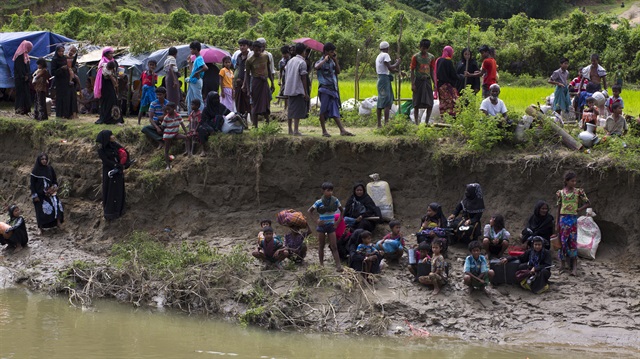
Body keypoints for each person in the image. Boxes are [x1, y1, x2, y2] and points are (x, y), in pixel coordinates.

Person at [314, 43, 353, 137]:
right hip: (324, 89)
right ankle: (324, 131)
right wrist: (324, 60)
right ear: (326, 52)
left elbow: (338, 71)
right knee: (323, 110)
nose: (333, 53)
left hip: (333, 89)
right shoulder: (320, 61)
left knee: (334, 109)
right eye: (332, 52)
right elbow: (316, 67)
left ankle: (342, 130)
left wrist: (335, 60)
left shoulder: (332, 61)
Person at [556, 171, 590, 276]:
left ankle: (574, 267)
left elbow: (588, 203)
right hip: (563, 219)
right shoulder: (560, 193)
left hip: (573, 220)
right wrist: (556, 223)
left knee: (572, 242)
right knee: (562, 242)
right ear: (566, 181)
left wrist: (579, 209)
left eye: (575, 181)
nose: (574, 183)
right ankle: (562, 265)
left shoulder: (579, 192)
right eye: (572, 181)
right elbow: (558, 208)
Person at [308, 182, 344, 272]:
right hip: (322, 226)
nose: (330, 192)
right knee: (321, 245)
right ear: (323, 191)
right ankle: (321, 265)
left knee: (334, 246)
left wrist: (337, 222)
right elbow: (310, 211)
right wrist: (317, 221)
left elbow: (342, 211)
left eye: (331, 190)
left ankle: (338, 265)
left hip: (331, 225)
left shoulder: (335, 201)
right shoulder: (319, 202)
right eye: (328, 190)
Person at [96, 130, 127, 220]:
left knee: (119, 190)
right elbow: (106, 160)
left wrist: (124, 163)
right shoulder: (101, 150)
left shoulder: (115, 145)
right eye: (111, 135)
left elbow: (124, 151)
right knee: (110, 191)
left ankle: (119, 210)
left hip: (118, 171)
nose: (113, 136)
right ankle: (110, 213)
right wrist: (115, 165)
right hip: (109, 172)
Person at [243, 41, 274, 128]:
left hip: (264, 83)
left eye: (259, 50)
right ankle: (255, 125)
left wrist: (272, 82)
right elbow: (247, 75)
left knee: (266, 103)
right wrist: (248, 90)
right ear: (253, 49)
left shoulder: (266, 56)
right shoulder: (249, 60)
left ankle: (267, 125)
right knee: (255, 105)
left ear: (262, 49)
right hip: (256, 83)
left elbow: (268, 69)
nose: (258, 52)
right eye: (256, 50)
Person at [30, 153, 64, 230]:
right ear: (39, 160)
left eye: (45, 159)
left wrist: (53, 188)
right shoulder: (35, 171)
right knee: (40, 211)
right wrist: (35, 196)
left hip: (50, 193)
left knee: (57, 205)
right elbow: (32, 185)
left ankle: (58, 222)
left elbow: (54, 180)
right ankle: (40, 228)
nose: (44, 161)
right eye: (42, 159)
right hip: (39, 195)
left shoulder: (50, 169)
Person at [283, 43, 309, 136]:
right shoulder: (302, 62)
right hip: (297, 88)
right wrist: (305, 92)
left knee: (291, 109)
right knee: (297, 110)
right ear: (303, 52)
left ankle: (290, 129)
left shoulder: (290, 61)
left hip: (289, 88)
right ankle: (296, 130)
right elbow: (303, 78)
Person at [94, 47, 123, 124]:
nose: (111, 55)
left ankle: (115, 117)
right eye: (110, 53)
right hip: (105, 85)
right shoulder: (103, 63)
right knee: (108, 101)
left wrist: (118, 76)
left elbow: (117, 72)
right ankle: (107, 118)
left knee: (114, 100)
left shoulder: (114, 61)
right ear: (106, 54)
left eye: (112, 53)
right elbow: (104, 74)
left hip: (111, 85)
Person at [376, 41, 402, 127]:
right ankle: (386, 124)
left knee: (380, 101)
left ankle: (379, 124)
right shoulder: (385, 55)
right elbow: (390, 68)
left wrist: (399, 72)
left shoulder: (379, 56)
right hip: (384, 80)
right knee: (387, 102)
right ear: (387, 48)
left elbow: (388, 69)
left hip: (381, 79)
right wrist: (398, 63)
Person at [162, 102, 190, 170]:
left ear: (174, 109)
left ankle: (188, 152)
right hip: (168, 136)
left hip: (175, 134)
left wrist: (186, 132)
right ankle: (168, 165)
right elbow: (163, 127)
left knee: (186, 138)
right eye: (167, 110)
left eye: (169, 109)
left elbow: (182, 125)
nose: (168, 111)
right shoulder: (166, 117)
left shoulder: (178, 116)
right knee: (166, 150)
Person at [435, 45, 461, 117]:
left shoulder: (439, 60)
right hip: (447, 85)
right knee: (453, 102)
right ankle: (452, 117)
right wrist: (461, 77)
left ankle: (443, 117)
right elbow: (453, 74)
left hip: (440, 85)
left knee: (443, 102)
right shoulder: (448, 61)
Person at [51, 45, 74, 119]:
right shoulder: (54, 59)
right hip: (59, 81)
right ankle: (60, 114)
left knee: (66, 97)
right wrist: (61, 68)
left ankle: (66, 114)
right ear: (57, 51)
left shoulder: (64, 58)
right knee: (60, 98)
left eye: (62, 51)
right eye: (60, 51)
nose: (61, 53)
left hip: (66, 79)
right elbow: (53, 72)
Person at [12, 40, 33, 115]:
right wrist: (24, 76)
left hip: (25, 79)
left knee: (26, 93)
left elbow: (27, 67)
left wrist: (28, 75)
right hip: (20, 79)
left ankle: (26, 109)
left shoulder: (26, 56)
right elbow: (19, 68)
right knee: (20, 94)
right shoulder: (19, 56)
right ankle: (19, 109)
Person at [186, 41, 207, 112]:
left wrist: (197, 73)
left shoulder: (199, 59)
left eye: (191, 49)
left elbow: (205, 68)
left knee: (198, 98)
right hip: (193, 81)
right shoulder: (196, 59)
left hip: (196, 81)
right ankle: (191, 114)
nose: (190, 51)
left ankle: (202, 113)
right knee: (190, 97)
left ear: (195, 49)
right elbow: (192, 72)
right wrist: (189, 63)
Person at [234, 39, 251, 117]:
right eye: (240, 45)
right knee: (239, 102)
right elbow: (237, 68)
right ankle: (241, 118)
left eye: (244, 45)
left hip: (248, 82)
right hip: (239, 82)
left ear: (247, 46)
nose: (242, 47)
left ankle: (250, 118)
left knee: (247, 101)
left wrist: (245, 82)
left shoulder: (250, 56)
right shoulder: (239, 56)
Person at [137, 60, 158, 124]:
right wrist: (139, 91)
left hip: (151, 92)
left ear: (155, 66)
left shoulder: (155, 75)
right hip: (144, 92)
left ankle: (154, 121)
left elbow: (153, 84)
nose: (151, 66)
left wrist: (153, 75)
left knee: (153, 105)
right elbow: (141, 82)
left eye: (153, 65)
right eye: (150, 65)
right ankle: (138, 122)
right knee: (142, 106)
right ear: (148, 65)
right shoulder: (144, 73)